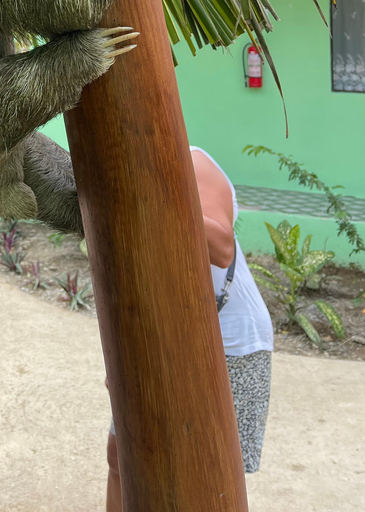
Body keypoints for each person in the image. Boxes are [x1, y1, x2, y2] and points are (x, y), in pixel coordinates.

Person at [104, 146, 274, 511]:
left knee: (213, 477)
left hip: (232, 340)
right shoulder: (111, 176)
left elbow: (221, 247)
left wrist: (153, 188)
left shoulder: (190, 159)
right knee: (121, 456)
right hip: (163, 335)